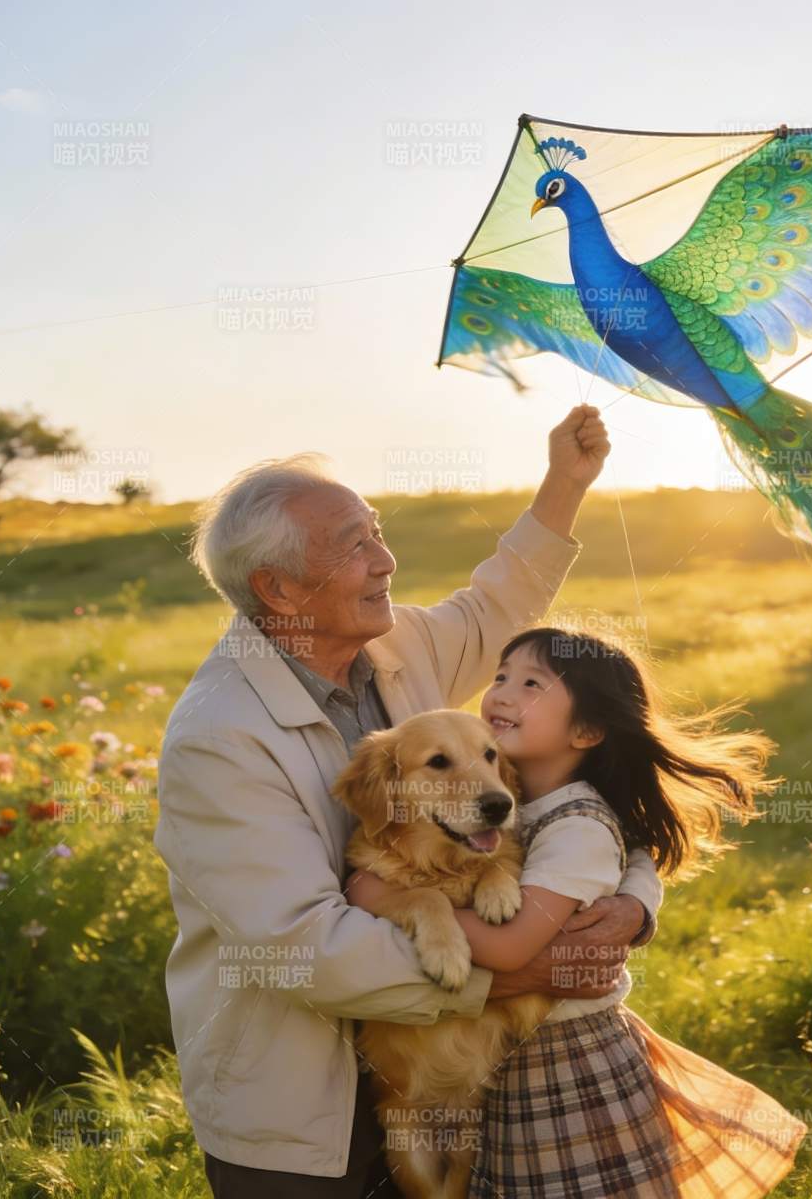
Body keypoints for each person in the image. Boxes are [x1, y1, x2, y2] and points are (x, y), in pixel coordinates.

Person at [155, 405, 667, 1197]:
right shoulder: (216, 739)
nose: (385, 559)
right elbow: (305, 949)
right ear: (280, 588)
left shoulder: (392, 647)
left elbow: (503, 607)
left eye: (377, 530)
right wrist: (531, 969)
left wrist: (564, 483)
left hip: (452, 1076)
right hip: (303, 1107)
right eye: (354, 546)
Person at [347, 626, 808, 1196]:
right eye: (501, 677)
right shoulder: (524, 799)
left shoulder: (575, 824)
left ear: (587, 730)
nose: (502, 696)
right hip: (512, 1072)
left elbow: (512, 944)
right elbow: (624, 847)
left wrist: (371, 895)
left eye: (533, 684)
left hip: (569, 1072)